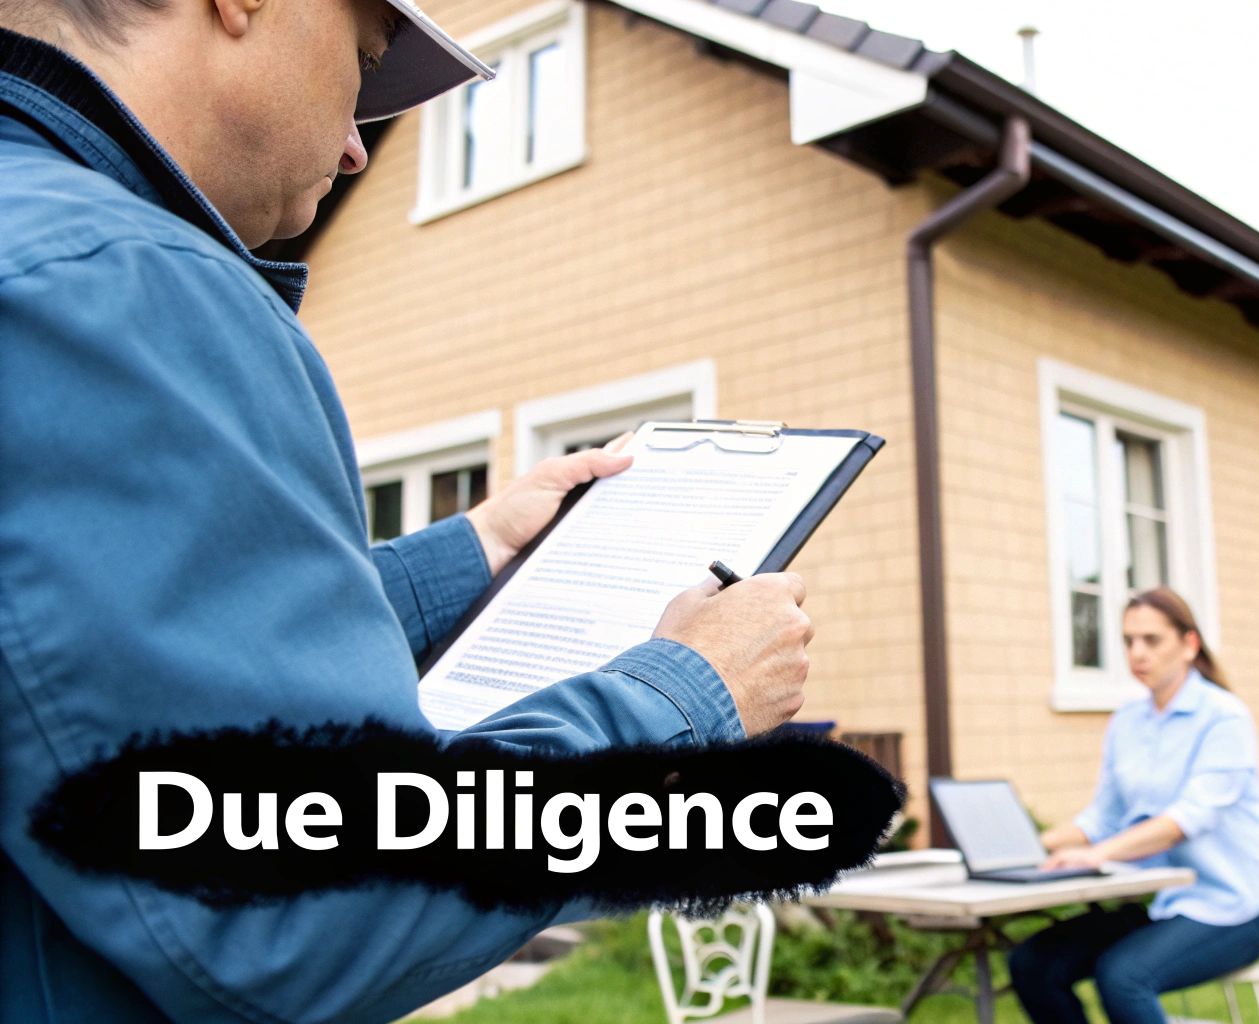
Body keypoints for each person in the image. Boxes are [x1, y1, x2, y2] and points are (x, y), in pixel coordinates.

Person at [0, 0, 816, 1020]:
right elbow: (309, 903)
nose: (355, 151)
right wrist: (686, 696)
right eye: (363, 62)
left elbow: (84, 659)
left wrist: (472, 549)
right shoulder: (124, 287)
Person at [1009, 587, 1259, 1024]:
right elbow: (1101, 818)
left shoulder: (1224, 717)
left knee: (1123, 977)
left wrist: (1098, 854)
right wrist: (1024, 846)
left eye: (1151, 640)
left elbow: (1184, 820)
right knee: (1034, 963)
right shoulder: (1126, 722)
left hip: (1238, 905)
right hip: (1163, 902)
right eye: (1128, 641)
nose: (1137, 653)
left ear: (1189, 644)